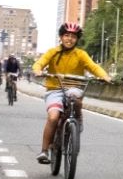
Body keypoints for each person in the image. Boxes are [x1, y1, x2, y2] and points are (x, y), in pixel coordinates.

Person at [31, 22, 111, 164]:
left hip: (74, 87)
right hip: (54, 89)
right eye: (66, 35)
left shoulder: (81, 54)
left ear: (77, 39)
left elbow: (93, 67)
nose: (69, 39)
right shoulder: (52, 52)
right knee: (54, 117)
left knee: (76, 98)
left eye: (73, 36)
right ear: (61, 37)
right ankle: (44, 151)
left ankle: (77, 118)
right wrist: (38, 70)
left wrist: (105, 76)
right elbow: (40, 63)